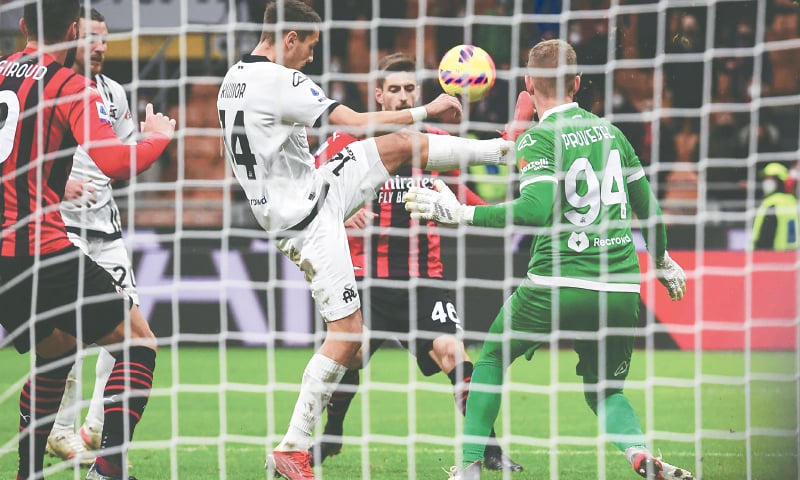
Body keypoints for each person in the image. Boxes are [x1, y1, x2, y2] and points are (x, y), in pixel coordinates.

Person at [216, 2, 514, 478]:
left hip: (305, 195)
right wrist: (427, 106)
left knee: (400, 145)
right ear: (289, 38)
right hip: (311, 218)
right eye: (309, 47)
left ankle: (501, 149)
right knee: (348, 338)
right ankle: (295, 445)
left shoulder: (233, 78)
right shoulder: (282, 80)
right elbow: (351, 123)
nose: (311, 59)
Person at [405, 39, 695, 480]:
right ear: (577, 83)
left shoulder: (540, 138)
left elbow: (533, 210)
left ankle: (467, 469)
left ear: (527, 83)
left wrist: (460, 213)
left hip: (556, 282)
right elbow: (650, 210)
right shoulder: (612, 133)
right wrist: (664, 260)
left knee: (489, 361)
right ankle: (638, 454)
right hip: (619, 286)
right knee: (605, 390)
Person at [310, 53, 521, 472]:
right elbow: (308, 187)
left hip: (425, 279)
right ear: (379, 96)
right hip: (365, 279)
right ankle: (332, 434)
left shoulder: (434, 141)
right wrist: (335, 207)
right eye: (394, 90)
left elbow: (463, 195)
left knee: (452, 353)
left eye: (409, 89)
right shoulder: (350, 142)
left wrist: (502, 215)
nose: (403, 96)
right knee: (349, 353)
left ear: (418, 94)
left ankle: (489, 448)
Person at [0, 1, 175, 479]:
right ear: (75, 30)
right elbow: (117, 162)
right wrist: (157, 136)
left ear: (21, 27)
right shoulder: (69, 86)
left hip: (3, 256)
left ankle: (26, 472)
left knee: (56, 351)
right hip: (44, 248)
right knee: (140, 344)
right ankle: (110, 470)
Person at [43, 7, 142, 468]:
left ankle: (98, 425)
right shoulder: (48, 87)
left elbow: (123, 151)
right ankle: (60, 430)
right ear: (70, 36)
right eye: (91, 38)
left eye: (105, 38)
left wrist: (143, 145)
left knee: (131, 331)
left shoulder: (114, 93)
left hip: (108, 229)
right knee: (71, 337)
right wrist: (57, 183)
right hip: (61, 229)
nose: (101, 46)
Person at [752, 162, 798, 250]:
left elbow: (766, 233)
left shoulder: (771, 202)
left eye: (771, 178)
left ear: (779, 181)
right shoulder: (792, 201)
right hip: (792, 254)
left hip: (771, 255)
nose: (766, 182)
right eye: (766, 178)